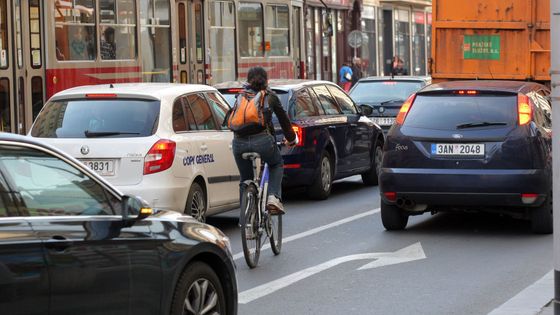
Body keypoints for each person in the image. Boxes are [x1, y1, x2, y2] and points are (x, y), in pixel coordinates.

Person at [230, 67, 298, 215]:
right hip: (263, 142)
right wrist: (291, 139)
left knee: (245, 178)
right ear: (266, 81)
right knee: (276, 163)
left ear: (248, 80)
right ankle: (273, 197)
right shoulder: (270, 96)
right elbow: (284, 121)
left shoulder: (240, 96)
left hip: (238, 144)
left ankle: (246, 216)